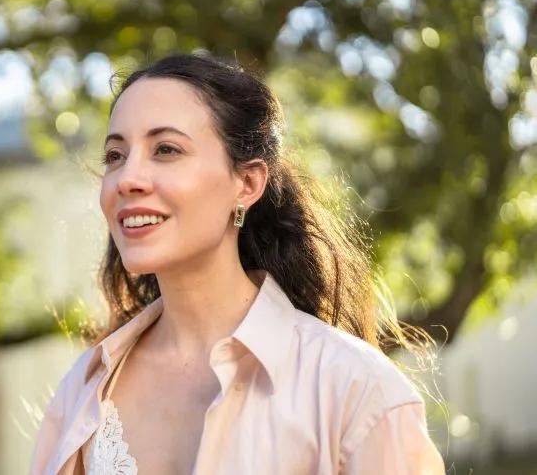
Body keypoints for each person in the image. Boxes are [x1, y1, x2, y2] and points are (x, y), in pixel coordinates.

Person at [28, 52, 446, 474]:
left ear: (246, 184)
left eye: (166, 149)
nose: (127, 179)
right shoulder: (84, 389)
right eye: (115, 156)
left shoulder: (357, 389)